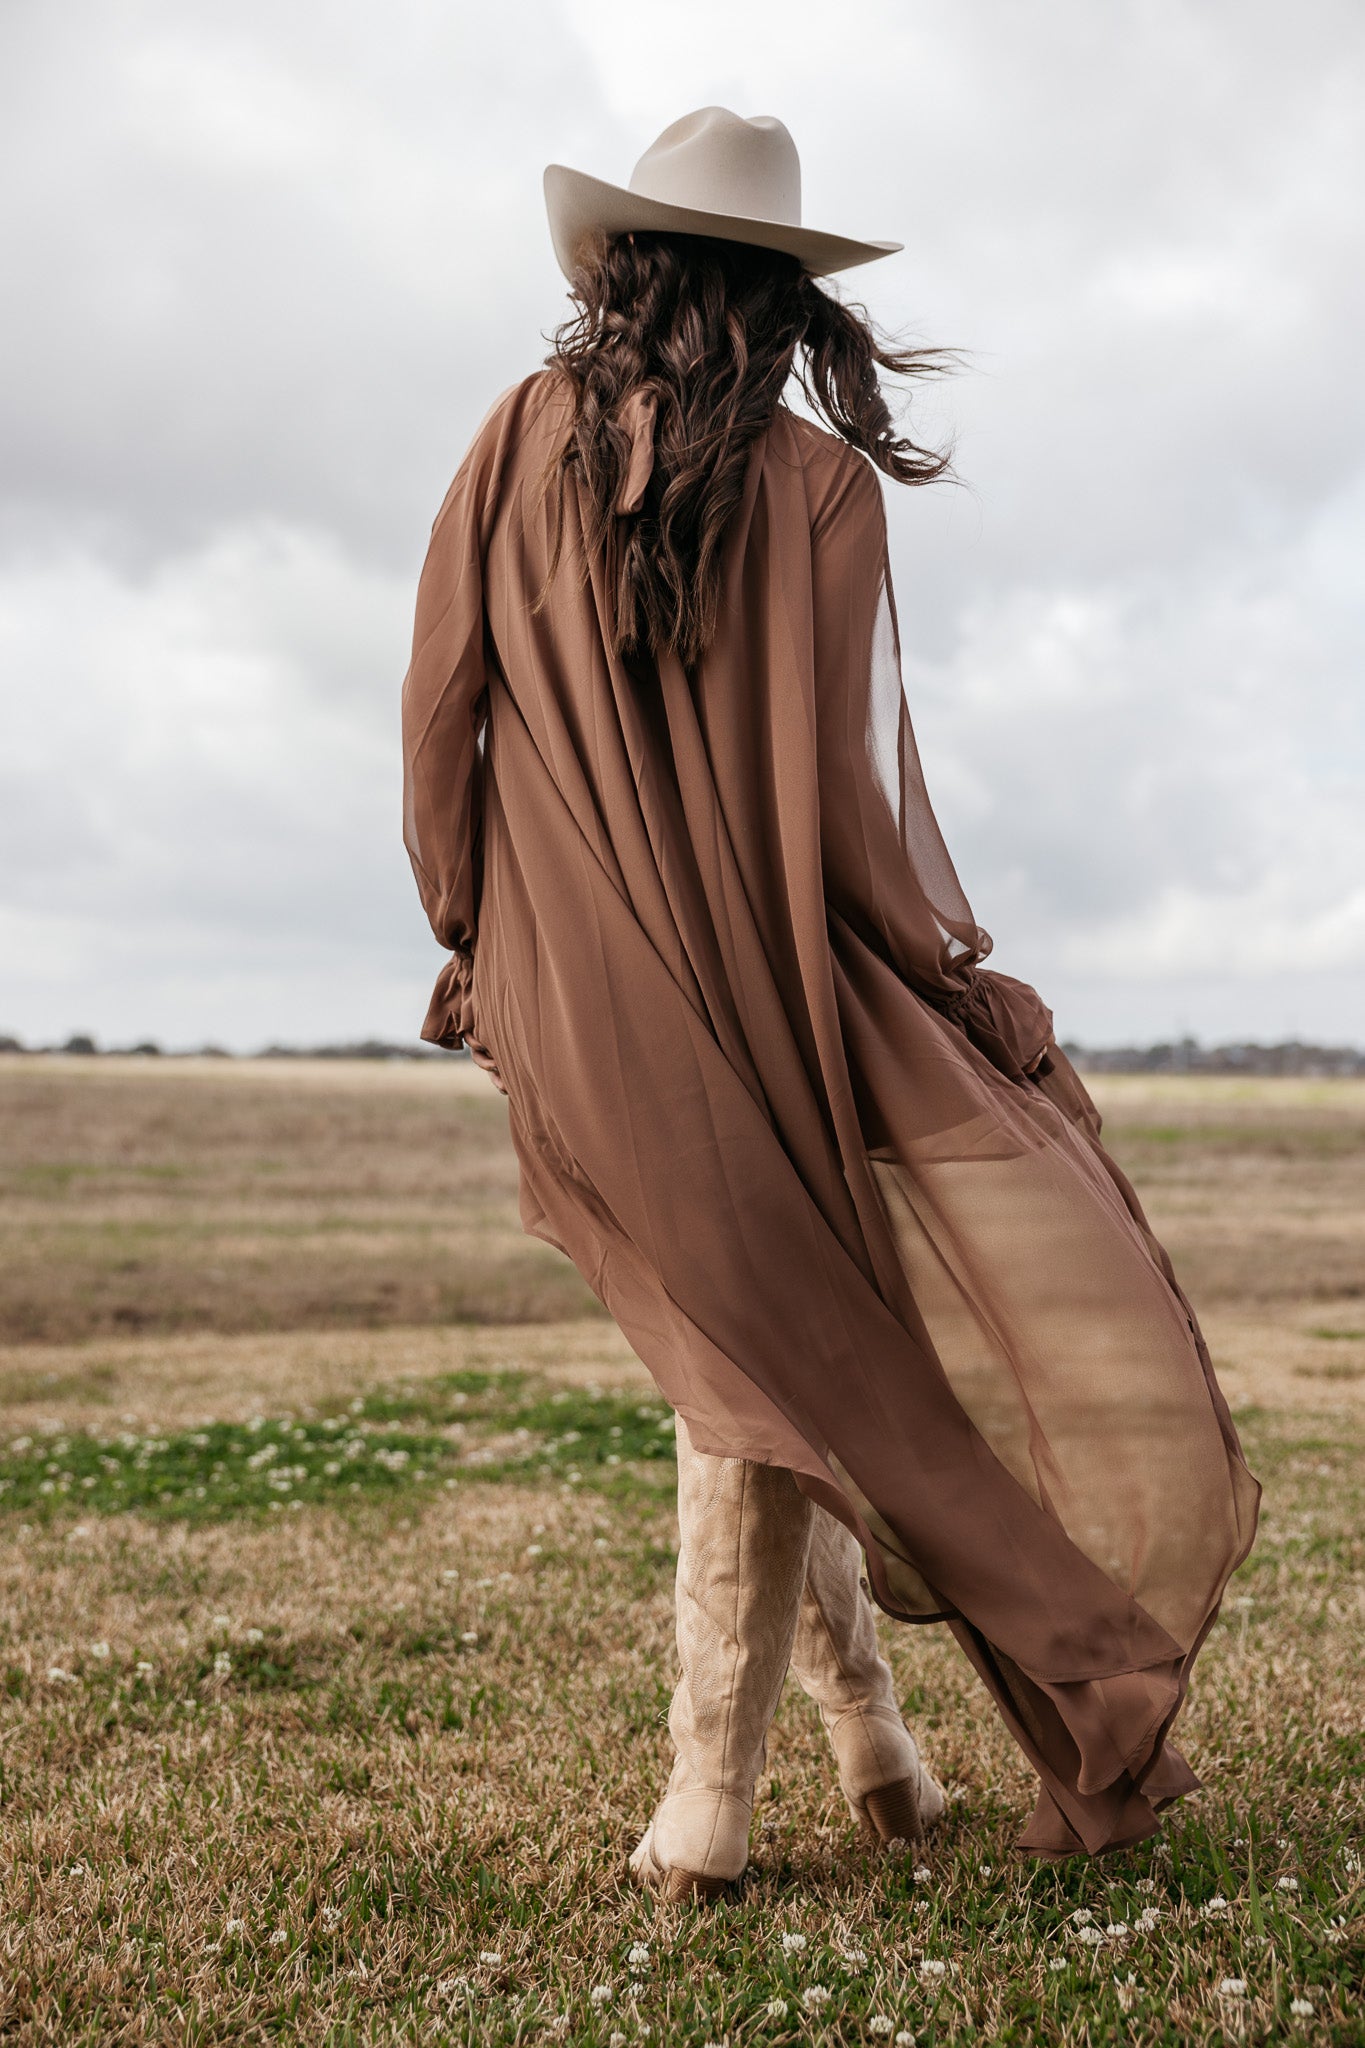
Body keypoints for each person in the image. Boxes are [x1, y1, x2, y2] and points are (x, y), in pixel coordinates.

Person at [400, 107, 1259, 1892]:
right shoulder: (820, 487)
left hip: (570, 985)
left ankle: (839, 1749)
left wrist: (469, 928)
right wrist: (952, 976)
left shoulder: (511, 437)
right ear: (784, 290)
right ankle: (753, 1781)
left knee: (764, 1350)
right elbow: (854, 819)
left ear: (619, 265)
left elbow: (438, 717)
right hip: (763, 988)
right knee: (780, 1346)